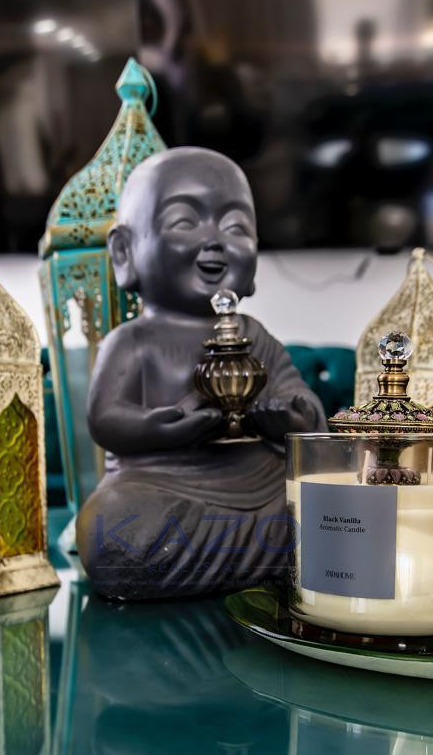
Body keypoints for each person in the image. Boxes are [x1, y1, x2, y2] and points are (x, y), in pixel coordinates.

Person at [76, 146, 326, 599]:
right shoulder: (133, 341)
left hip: (260, 485)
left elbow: (303, 406)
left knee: (332, 507)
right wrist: (162, 425)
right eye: (185, 221)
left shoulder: (255, 336)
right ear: (124, 252)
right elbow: (106, 420)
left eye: (236, 227)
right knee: (110, 528)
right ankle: (276, 557)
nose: (215, 241)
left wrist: (291, 417)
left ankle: (258, 554)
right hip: (159, 483)